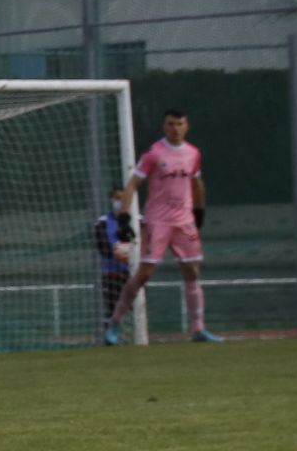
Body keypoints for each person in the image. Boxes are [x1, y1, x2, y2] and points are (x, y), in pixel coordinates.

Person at [104, 107, 219, 344]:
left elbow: (197, 183)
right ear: (164, 126)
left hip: (184, 221)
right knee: (144, 274)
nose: (175, 129)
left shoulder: (193, 153)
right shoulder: (154, 154)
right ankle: (114, 323)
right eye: (170, 124)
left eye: (179, 124)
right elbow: (132, 185)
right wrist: (124, 217)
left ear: (186, 126)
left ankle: (198, 329)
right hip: (158, 221)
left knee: (192, 271)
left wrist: (199, 211)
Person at [93, 194, 135, 339]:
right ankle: (110, 337)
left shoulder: (138, 219)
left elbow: (147, 242)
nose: (119, 201)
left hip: (133, 273)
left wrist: (132, 254)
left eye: (122, 197)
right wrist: (115, 253)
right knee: (111, 306)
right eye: (116, 197)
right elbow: (101, 247)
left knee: (134, 306)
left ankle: (134, 334)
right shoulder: (102, 222)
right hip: (110, 273)